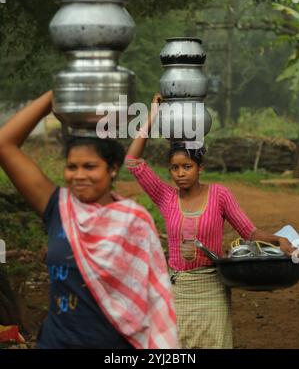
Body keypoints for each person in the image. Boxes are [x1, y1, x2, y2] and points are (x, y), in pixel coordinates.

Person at [0, 91, 178, 349]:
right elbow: (5, 144)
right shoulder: (60, 208)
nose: (79, 175)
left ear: (113, 168)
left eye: (90, 167)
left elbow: (154, 297)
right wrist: (58, 93)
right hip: (56, 343)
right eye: (72, 167)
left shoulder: (133, 220)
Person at [125, 93, 295, 349]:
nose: (180, 174)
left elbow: (249, 232)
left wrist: (277, 239)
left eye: (187, 167)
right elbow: (133, 161)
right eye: (174, 168)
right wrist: (152, 114)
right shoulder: (166, 197)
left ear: (200, 168)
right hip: (178, 290)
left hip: (212, 288)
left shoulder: (219, 195)